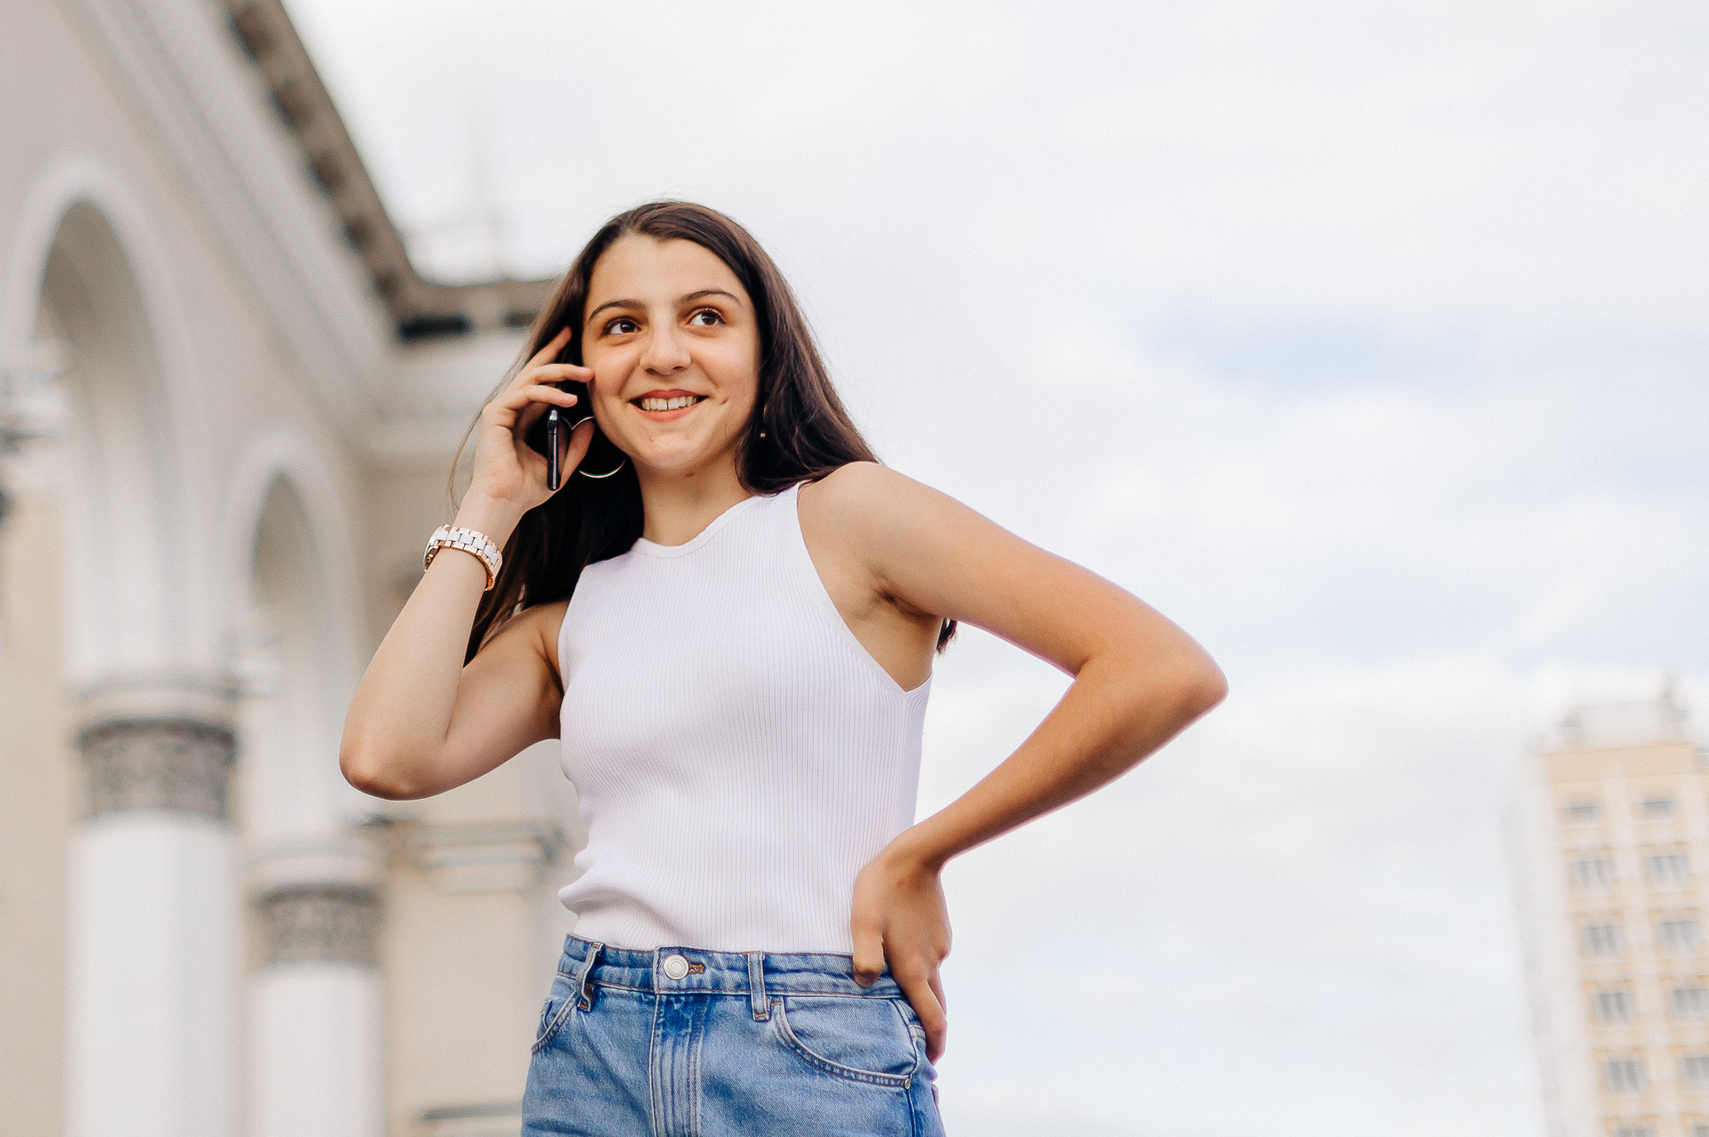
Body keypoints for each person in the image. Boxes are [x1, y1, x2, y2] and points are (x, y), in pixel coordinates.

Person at [341, 201, 1226, 1135]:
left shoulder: (850, 518)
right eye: (622, 325)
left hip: (811, 1045)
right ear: (575, 374)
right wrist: (494, 498)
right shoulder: (570, 623)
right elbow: (384, 756)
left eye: (707, 317)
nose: (665, 352)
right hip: (595, 1047)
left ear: (767, 354)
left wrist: (923, 851)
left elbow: (1157, 666)